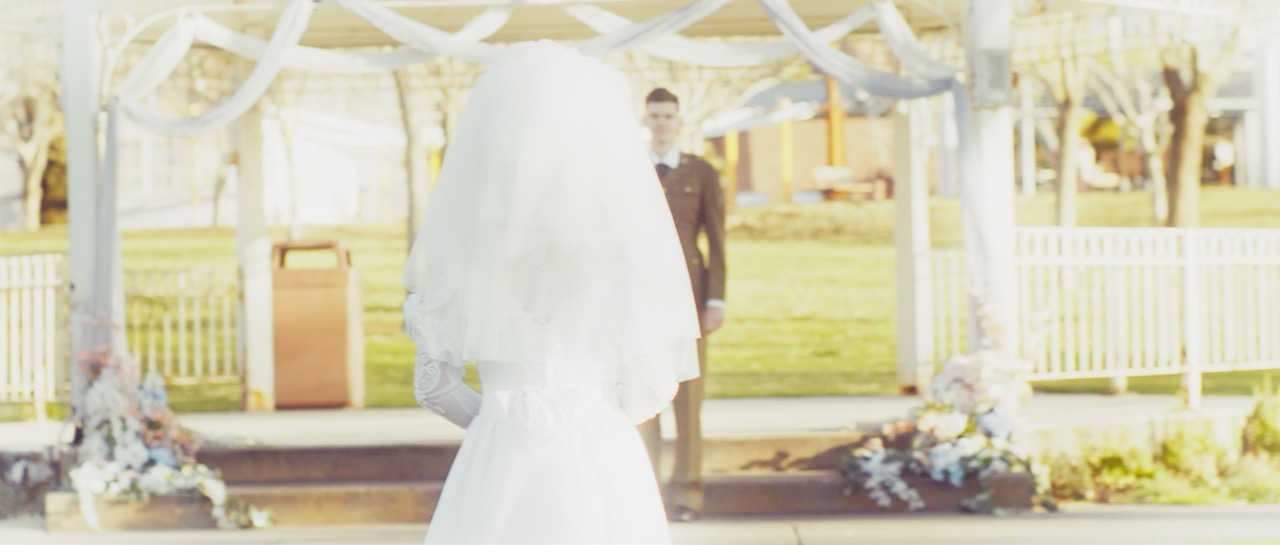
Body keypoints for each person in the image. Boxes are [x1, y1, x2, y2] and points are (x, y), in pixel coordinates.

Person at [401, 41, 702, 544]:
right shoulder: (620, 254)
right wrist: (591, 417)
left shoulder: (465, 255)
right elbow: (652, 383)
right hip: (601, 456)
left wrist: (502, 422)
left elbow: (435, 387)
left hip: (497, 458)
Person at [637, 87, 727, 522]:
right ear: (646, 119)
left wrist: (716, 300)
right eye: (655, 115)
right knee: (641, 396)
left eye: (668, 116)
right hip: (639, 299)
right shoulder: (630, 168)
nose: (661, 123)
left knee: (689, 400)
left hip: (688, 300)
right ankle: (645, 493)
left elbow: (717, 240)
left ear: (678, 121)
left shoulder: (701, 172)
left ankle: (688, 493)